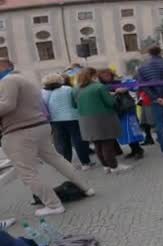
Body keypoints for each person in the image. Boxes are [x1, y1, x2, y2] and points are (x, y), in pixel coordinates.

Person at [0, 58, 94, 216]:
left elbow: (8, 105)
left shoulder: (8, 80)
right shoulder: (22, 79)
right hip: (38, 125)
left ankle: (53, 205)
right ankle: (86, 187)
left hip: (20, 130)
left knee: (27, 172)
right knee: (56, 159)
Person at [73, 67, 131, 174]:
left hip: (85, 120)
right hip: (102, 118)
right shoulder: (99, 87)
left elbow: (74, 105)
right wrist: (114, 95)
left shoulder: (76, 89)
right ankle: (114, 166)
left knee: (97, 144)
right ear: (93, 76)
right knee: (107, 143)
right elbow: (110, 103)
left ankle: (106, 166)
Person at [41, 73, 94, 170]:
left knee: (62, 143)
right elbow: (76, 101)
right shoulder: (67, 89)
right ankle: (85, 163)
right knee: (78, 140)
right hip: (72, 117)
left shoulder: (43, 92)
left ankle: (66, 165)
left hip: (55, 120)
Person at [97, 69, 145, 160]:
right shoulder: (101, 86)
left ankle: (138, 150)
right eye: (104, 76)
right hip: (116, 111)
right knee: (124, 132)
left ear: (111, 75)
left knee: (132, 130)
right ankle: (133, 150)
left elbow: (136, 85)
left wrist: (125, 88)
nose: (107, 77)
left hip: (127, 108)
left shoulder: (120, 82)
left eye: (108, 75)